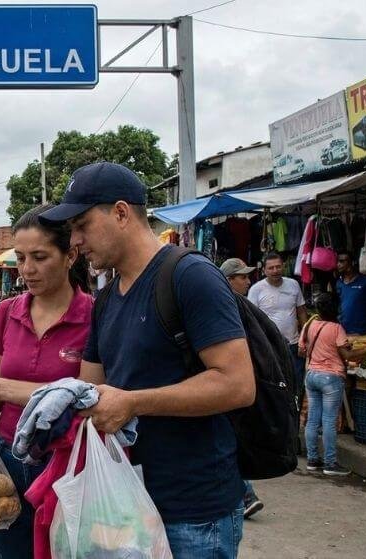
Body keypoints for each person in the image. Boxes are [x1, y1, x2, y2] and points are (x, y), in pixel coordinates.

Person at [40, 162, 255, 558]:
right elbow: (91, 391)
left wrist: (134, 402)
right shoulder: (106, 300)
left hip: (192, 514)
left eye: (82, 224)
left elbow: (237, 384)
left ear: (121, 213)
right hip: (123, 506)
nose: (75, 240)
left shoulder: (190, 276)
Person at [0, 205, 93, 559]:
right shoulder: (6, 312)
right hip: (7, 460)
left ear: (70, 255)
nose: (27, 269)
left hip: (67, 464)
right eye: (22, 257)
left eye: (40, 257)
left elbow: (89, 402)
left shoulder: (94, 316)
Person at [299, 292, 366, 476]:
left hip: (311, 375)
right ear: (336, 309)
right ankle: (330, 463)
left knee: (312, 420)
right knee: (328, 421)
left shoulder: (310, 325)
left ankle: (312, 459)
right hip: (330, 377)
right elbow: (348, 356)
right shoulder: (336, 328)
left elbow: (301, 351)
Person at [219, 257, 265, 520]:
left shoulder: (242, 305)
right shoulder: (224, 307)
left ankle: (246, 493)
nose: (247, 281)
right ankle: (246, 494)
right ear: (228, 280)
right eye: (242, 277)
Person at [248, 252, 308, 405]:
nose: (275, 270)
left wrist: (305, 336)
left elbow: (301, 312)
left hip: (293, 344)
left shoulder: (293, 285)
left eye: (278, 267)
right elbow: (252, 319)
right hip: (270, 345)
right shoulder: (256, 289)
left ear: (284, 266)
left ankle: (295, 411)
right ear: (264, 270)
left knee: (296, 380)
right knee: (275, 382)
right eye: (271, 268)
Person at [335, 251, 366, 335]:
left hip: (362, 332)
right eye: (337, 261)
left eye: (342, 261)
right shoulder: (339, 283)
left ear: (352, 262)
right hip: (343, 332)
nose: (338, 264)